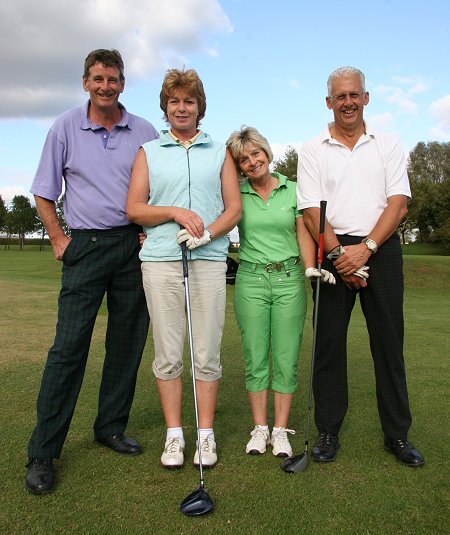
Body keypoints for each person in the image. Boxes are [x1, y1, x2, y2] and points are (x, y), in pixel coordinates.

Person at [25, 49, 159, 495]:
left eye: (114, 79)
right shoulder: (65, 126)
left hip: (131, 245)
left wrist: (148, 233)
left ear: (123, 84)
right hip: (85, 245)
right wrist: (60, 239)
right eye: (98, 78)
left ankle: (110, 427)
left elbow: (156, 189)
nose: (106, 86)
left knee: (126, 343)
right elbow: (44, 192)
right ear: (86, 82)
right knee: (68, 349)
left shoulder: (143, 130)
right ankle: (43, 451)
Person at [296, 66, 424, 467]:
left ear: (365, 98)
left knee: (388, 344)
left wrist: (365, 250)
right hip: (333, 252)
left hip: (380, 250)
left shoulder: (387, 143)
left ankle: (398, 436)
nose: (347, 102)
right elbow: (311, 211)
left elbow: (398, 203)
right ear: (329, 103)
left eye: (354, 95)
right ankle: (328, 432)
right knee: (328, 346)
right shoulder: (313, 147)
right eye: (340, 96)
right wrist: (340, 259)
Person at [126, 68, 241, 469]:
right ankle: (175, 435)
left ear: (199, 107)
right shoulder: (149, 152)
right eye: (174, 101)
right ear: (165, 107)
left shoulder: (219, 151)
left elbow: (234, 208)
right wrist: (174, 211)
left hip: (208, 261)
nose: (181, 108)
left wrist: (207, 234)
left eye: (188, 101)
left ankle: (204, 436)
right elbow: (134, 208)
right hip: (160, 261)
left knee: (206, 352)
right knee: (169, 353)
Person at [226, 126, 336, 458]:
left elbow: (303, 230)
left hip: (289, 279)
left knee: (286, 357)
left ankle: (280, 430)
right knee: (255, 356)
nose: (252, 162)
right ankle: (260, 429)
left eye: (256, 153)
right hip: (250, 280)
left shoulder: (293, 189)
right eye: (243, 159)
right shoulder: (236, 193)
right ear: (239, 166)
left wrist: (307, 267)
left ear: (267, 153)